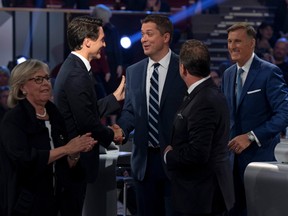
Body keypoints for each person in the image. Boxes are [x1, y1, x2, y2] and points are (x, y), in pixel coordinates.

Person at [0, 59, 96, 216]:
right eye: (38, 79)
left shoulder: (55, 115)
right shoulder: (13, 120)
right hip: (27, 205)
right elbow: (24, 160)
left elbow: (64, 162)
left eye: (46, 78)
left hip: (60, 202)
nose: (46, 83)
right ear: (22, 87)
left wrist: (74, 153)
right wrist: (66, 149)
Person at [53, 15, 125, 216]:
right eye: (101, 39)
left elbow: (85, 110)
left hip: (75, 160)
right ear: (87, 41)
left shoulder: (75, 67)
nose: (105, 43)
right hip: (75, 160)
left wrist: (114, 98)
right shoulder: (76, 72)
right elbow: (86, 121)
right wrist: (112, 135)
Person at [116, 14, 186, 216]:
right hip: (143, 163)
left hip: (175, 162)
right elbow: (130, 110)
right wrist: (120, 129)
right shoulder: (133, 71)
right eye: (142, 34)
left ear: (165, 37)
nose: (143, 39)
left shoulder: (183, 67)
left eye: (149, 34)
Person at [221, 22, 288, 216]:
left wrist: (251, 136)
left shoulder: (269, 72)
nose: (232, 46)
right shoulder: (227, 74)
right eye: (229, 41)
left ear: (252, 43)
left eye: (238, 41)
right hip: (230, 164)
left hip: (259, 162)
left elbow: (284, 113)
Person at [164, 39, 234, 216]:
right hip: (200, 193)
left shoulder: (204, 101)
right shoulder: (206, 94)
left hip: (201, 197)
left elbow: (198, 152)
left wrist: (169, 155)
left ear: (183, 69)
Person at [91, 4, 124, 124]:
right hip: (99, 65)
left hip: (112, 63)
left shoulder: (112, 29)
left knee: (112, 92)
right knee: (101, 93)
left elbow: (117, 48)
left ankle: (113, 122)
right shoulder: (93, 30)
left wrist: (119, 64)